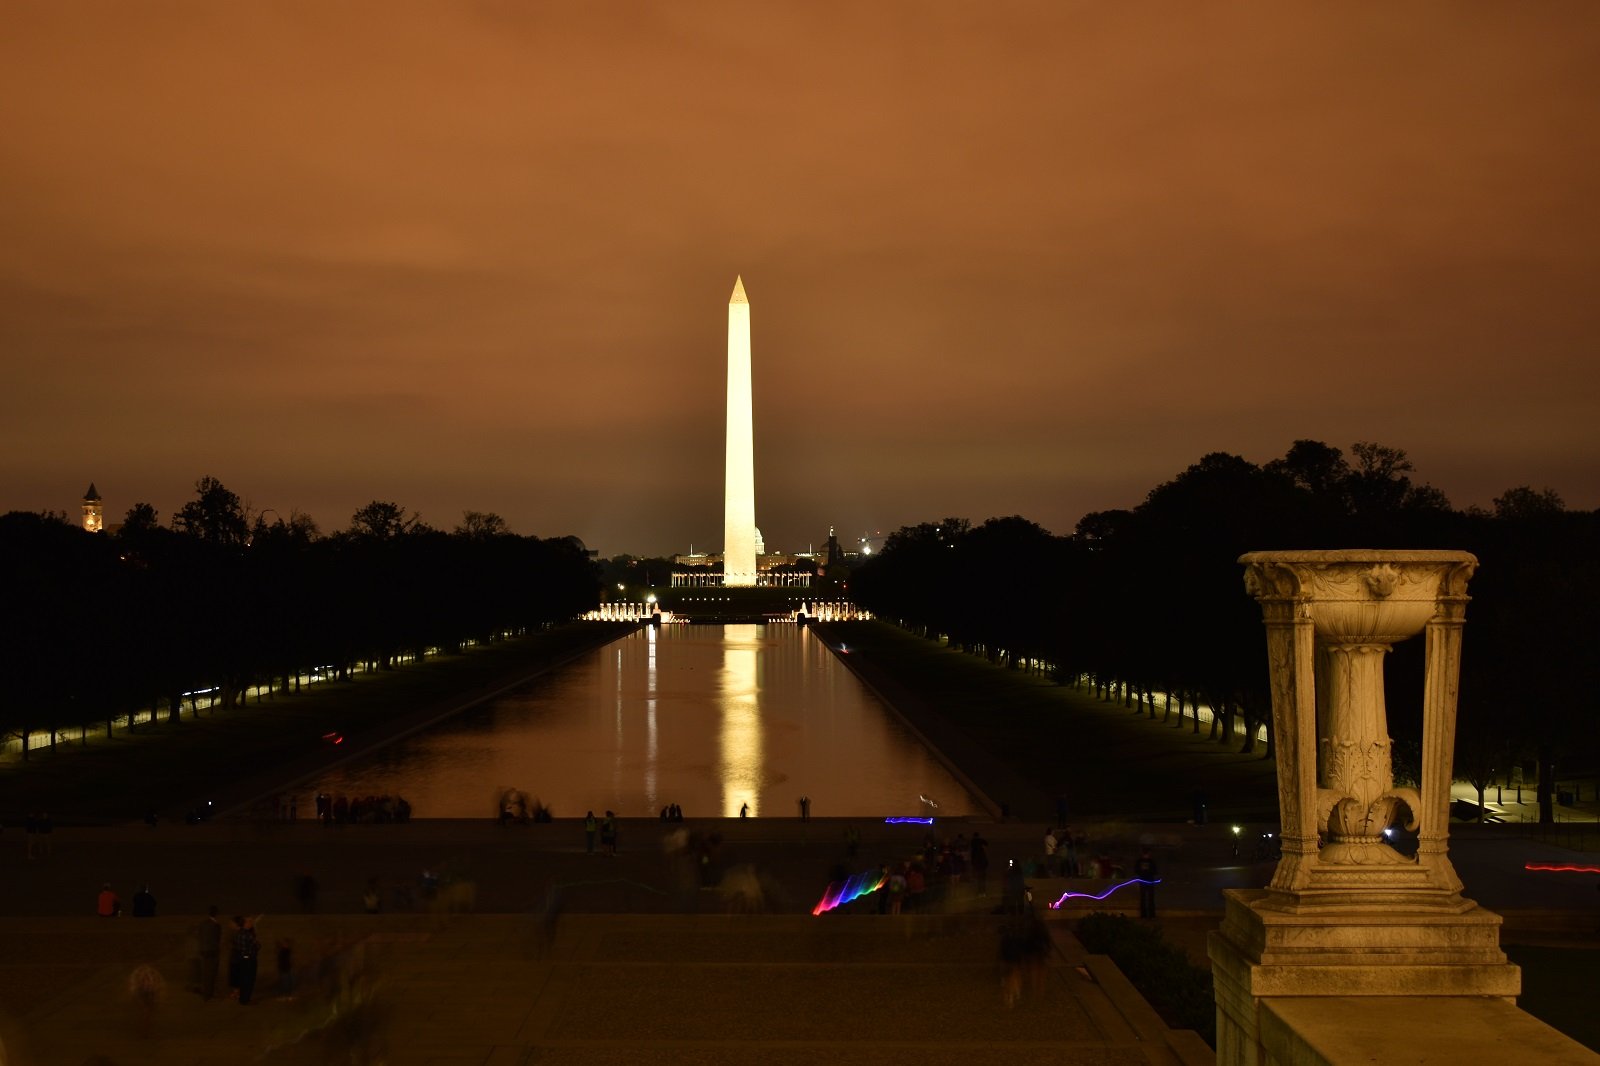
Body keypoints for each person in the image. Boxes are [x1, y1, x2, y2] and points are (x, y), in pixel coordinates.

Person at [193, 905, 222, 999]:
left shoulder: (202, 923)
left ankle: (206, 993)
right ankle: (210, 992)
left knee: (205, 972)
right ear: (216, 914)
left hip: (204, 951)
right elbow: (217, 939)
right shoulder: (217, 925)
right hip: (213, 951)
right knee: (212, 972)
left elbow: (199, 936)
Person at [231, 916, 260, 1004]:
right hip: (250, 959)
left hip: (241, 959)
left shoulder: (238, 933)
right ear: (245, 924)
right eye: (249, 922)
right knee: (249, 980)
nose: (251, 923)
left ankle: (242, 999)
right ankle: (246, 1000)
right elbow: (258, 946)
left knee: (243, 979)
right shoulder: (248, 935)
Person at [1134, 847, 1159, 919]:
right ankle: (1149, 915)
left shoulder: (1141, 861)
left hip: (1146, 881)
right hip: (1147, 881)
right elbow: (1155, 871)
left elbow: (1136, 870)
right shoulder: (1150, 861)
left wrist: (1143, 872)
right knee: (1147, 898)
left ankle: (1146, 915)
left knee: (1146, 898)